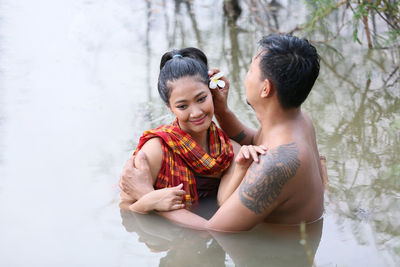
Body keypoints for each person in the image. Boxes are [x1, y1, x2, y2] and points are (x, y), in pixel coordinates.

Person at [121, 34, 325, 232]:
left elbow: (215, 229)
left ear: (265, 88)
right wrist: (221, 110)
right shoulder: (298, 120)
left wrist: (146, 195)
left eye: (251, 70)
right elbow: (255, 141)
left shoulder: (275, 164)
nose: (246, 76)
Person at [120, 47, 267, 226]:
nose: (196, 112)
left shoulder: (228, 149)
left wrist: (242, 168)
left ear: (211, 93)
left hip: (209, 242)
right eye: (182, 106)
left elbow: (223, 203)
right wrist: (150, 201)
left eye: (201, 99)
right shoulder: (156, 150)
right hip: (170, 245)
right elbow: (125, 209)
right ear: (169, 107)